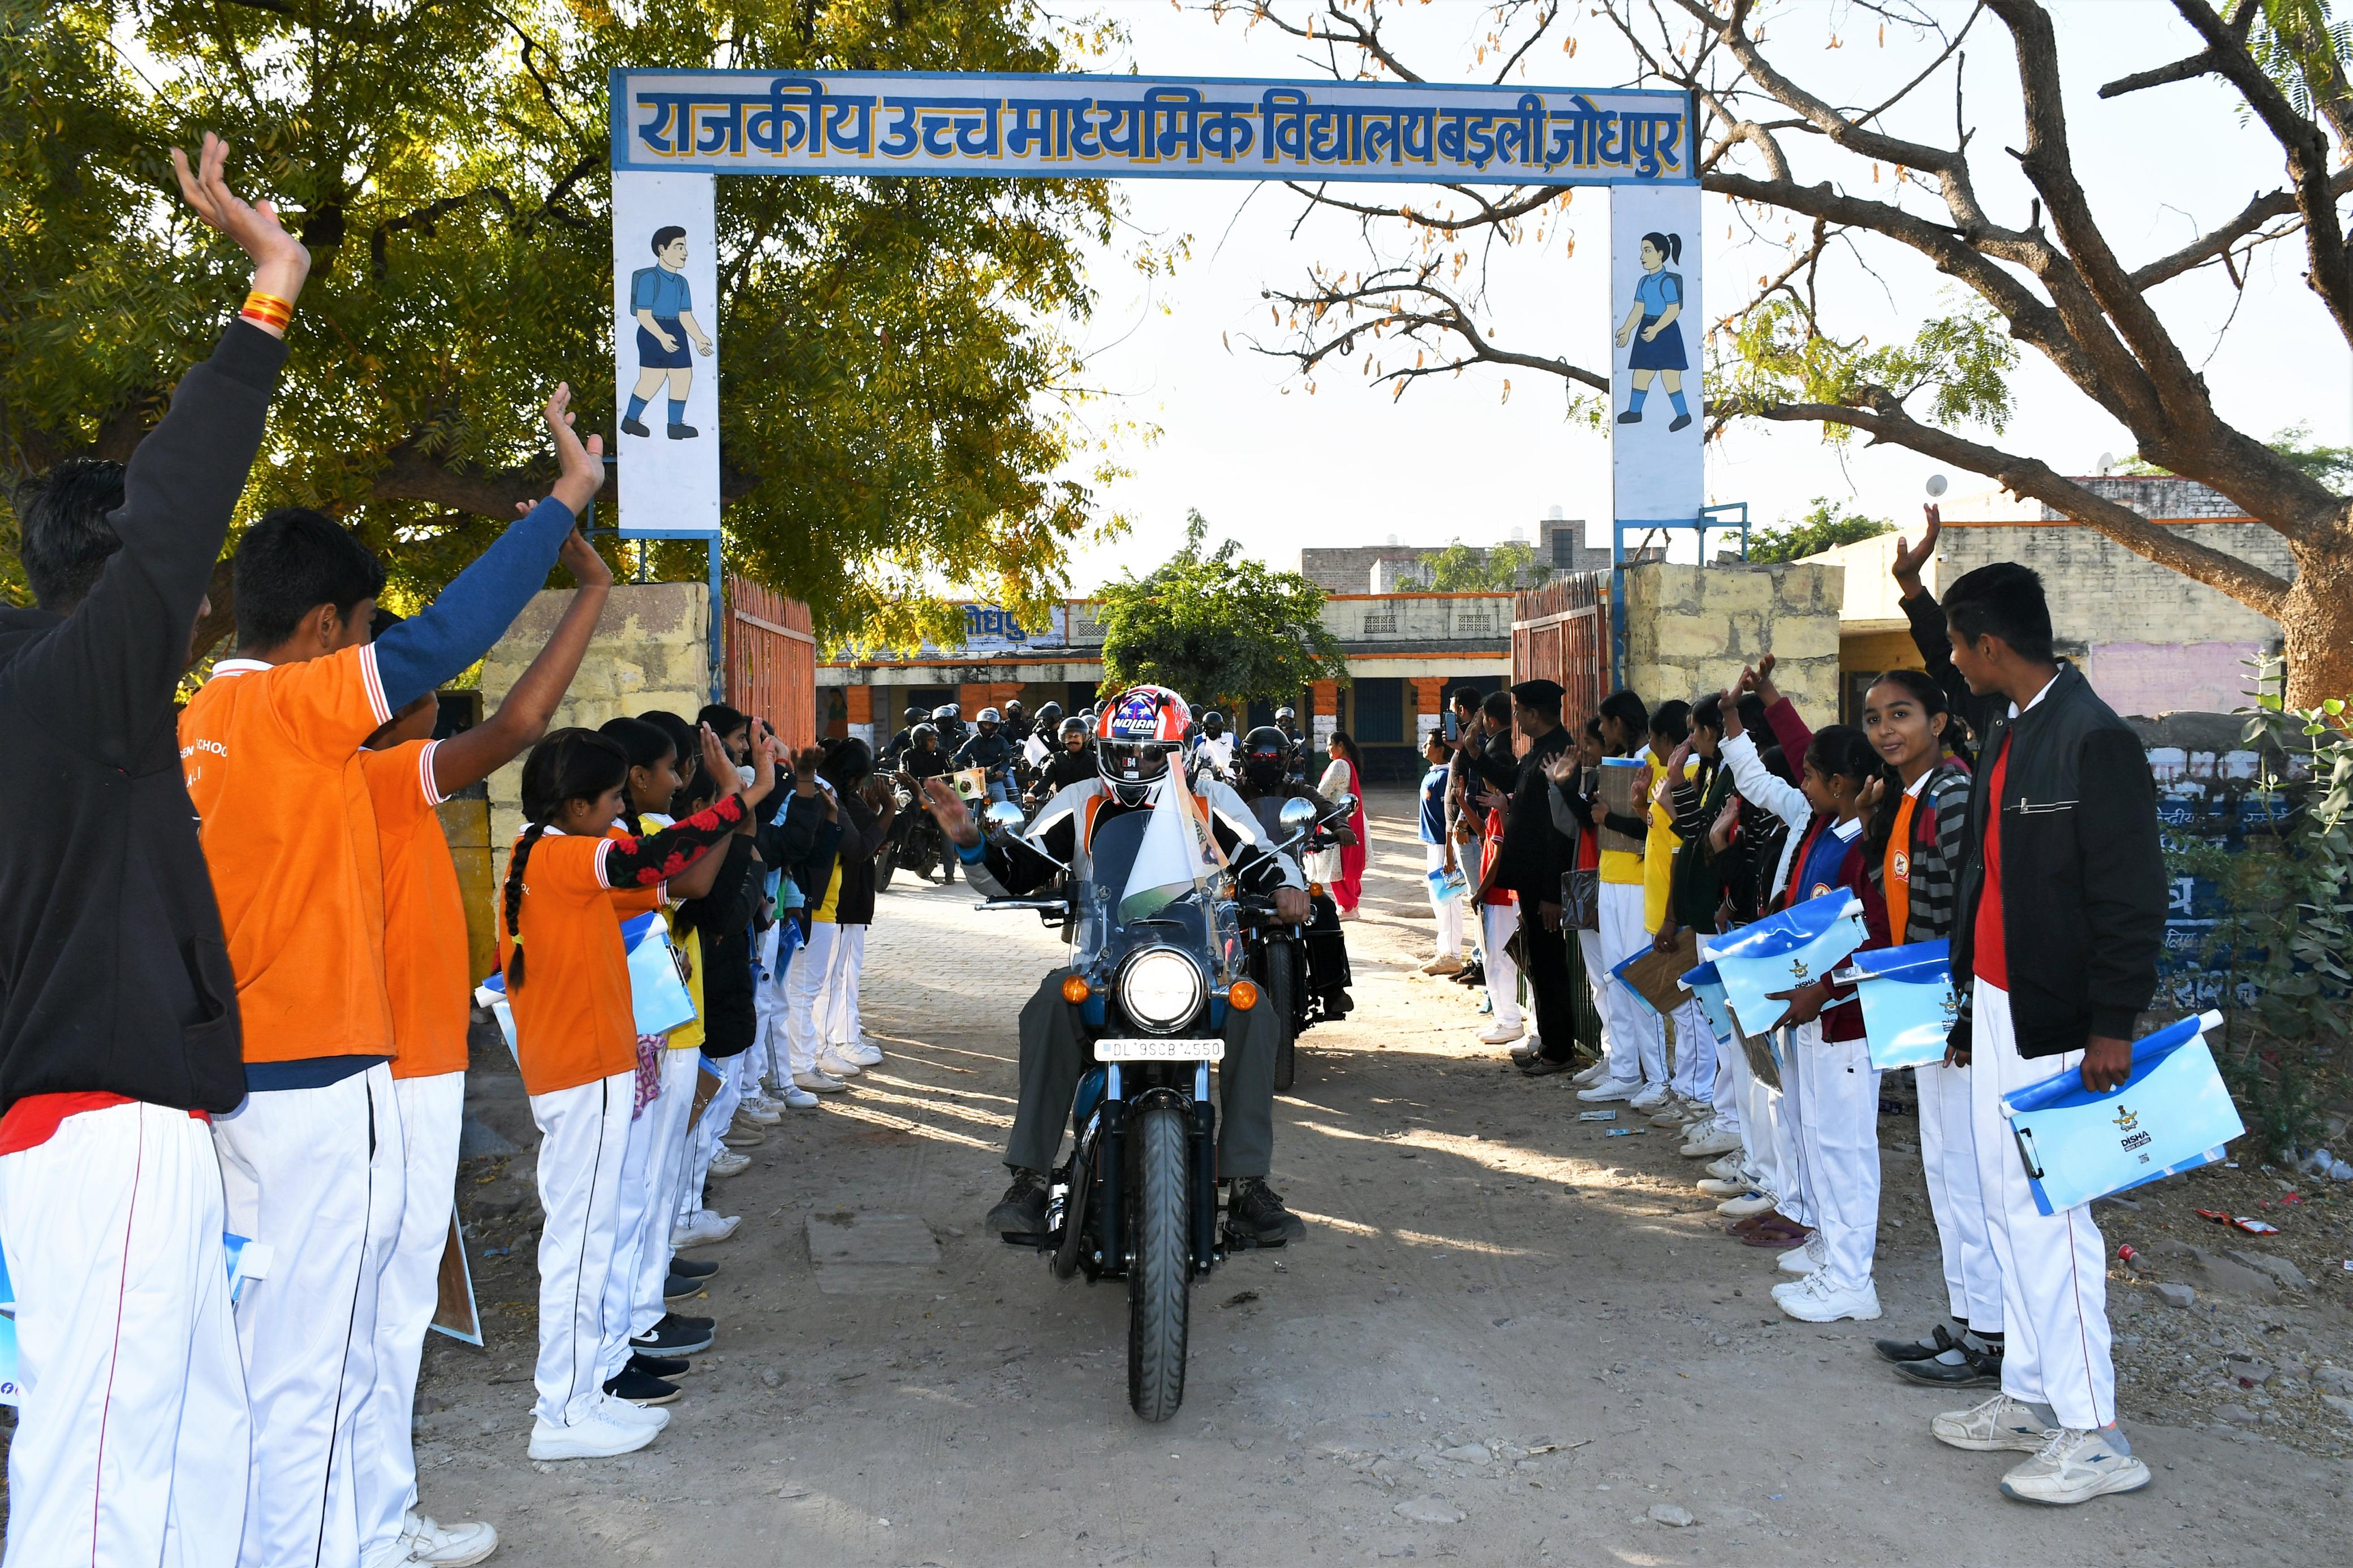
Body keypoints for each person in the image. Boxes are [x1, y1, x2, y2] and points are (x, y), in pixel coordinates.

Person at [181, 374, 604, 1568]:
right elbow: (451, 634)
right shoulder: (295, 713)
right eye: (364, 632)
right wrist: (562, 499)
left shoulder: (187, 727)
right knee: (318, 1364)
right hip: (324, 1088)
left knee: (270, 1359)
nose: (375, 657)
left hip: (231, 1080)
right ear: (324, 627)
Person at [0, 133, 298, 1568]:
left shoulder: (53, 703)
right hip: (97, 1125)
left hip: (111, 1126)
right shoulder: (84, 682)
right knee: (109, 1469)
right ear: (122, 589)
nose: (191, 611)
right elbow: (179, 507)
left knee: (196, 1435)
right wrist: (269, 288)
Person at [357, 526, 610, 1568]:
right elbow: (520, 719)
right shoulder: (381, 778)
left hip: (400, 1067)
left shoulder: (367, 782)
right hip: (397, 1072)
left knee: (382, 1312)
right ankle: (367, 1524)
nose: (432, 691)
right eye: (413, 673)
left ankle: (370, 1514)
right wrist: (584, 579)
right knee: (381, 1315)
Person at [1929, 561, 2164, 1507]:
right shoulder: (2012, 725)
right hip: (1996, 1000)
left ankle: (2095, 1432)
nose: (1948, 660)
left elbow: (2132, 894)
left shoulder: (2092, 738)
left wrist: (2114, 1022)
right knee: (2001, 1196)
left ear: (1990, 647)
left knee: (2051, 1215)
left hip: (2060, 1013)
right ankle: (2029, 1395)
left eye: (1955, 642)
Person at [924, 686, 1315, 1246]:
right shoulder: (1080, 799)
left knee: (1254, 1009)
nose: (1135, 763)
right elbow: (1017, 868)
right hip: (1105, 966)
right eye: (1123, 750)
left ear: (1178, 751)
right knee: (1048, 1002)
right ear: (1104, 748)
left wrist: (1287, 890)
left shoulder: (1210, 800)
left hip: (1197, 969)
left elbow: (1263, 857)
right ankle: (1031, 1178)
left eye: (1151, 752)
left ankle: (1249, 1184)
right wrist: (971, 844)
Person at [497, 725, 776, 1461]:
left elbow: (660, 872)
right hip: (581, 1072)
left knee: (589, 1241)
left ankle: (583, 1394)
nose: (624, 809)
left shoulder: (555, 854)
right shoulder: (560, 854)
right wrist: (743, 796)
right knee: (581, 1248)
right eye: (616, 798)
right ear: (579, 804)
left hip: (593, 1068)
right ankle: (559, 1413)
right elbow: (658, 858)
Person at [1855, 669, 2003, 1389]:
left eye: (1901, 714)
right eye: (1874, 717)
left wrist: (1964, 1013)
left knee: (1967, 1171)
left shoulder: (1949, 796)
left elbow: (1971, 913)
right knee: (1943, 1169)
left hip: (1950, 1009)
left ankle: (1993, 1335)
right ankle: (1968, 1320)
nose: (1885, 729)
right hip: (1919, 1002)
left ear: (1939, 721)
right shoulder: (1909, 797)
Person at [1753, 723, 1891, 1325]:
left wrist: (1827, 987)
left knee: (1846, 1146)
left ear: (1839, 783)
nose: (1799, 783)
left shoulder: (1862, 842)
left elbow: (1877, 936)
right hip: (1812, 1008)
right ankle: (1832, 1251)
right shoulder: (1824, 828)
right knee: (1815, 1132)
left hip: (1847, 1017)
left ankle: (1852, 1277)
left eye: (1808, 775)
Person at [1471, 681, 1576, 1074]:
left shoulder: (1559, 753)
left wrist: (1552, 892)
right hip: (1530, 877)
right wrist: (1475, 755)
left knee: (1550, 965)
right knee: (1539, 961)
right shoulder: (1538, 751)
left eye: (1520, 711)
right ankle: (1549, 1042)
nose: (1515, 718)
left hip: (1544, 879)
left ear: (1535, 713)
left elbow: (1558, 831)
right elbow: (1512, 778)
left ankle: (1559, 1049)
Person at [1574, 689, 1666, 1101]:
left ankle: (1658, 1076)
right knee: (1615, 978)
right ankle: (1626, 1072)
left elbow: (1656, 831)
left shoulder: (1654, 765)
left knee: (1637, 980)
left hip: (1638, 884)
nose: (1602, 730)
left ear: (1620, 723)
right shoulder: (1619, 763)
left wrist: (1609, 816)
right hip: (1612, 876)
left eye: (1606, 722)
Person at [811, 740, 893, 1074]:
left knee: (834, 977)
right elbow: (859, 847)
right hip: (837, 903)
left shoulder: (832, 793)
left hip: (838, 902)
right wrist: (888, 810)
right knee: (833, 979)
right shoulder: (828, 795)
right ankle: (828, 1046)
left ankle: (833, 1042)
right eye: (861, 778)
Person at [622, 225, 712, 440]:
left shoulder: (682, 283)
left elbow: (686, 316)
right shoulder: (649, 280)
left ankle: (675, 426)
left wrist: (699, 338)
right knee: (652, 379)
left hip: (676, 329)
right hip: (653, 330)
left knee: (683, 376)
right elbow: (643, 315)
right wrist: (661, 337)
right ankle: (630, 421)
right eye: (679, 247)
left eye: (685, 248)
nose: (685, 253)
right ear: (662, 250)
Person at [1414, 730, 1465, 975]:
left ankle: (1453, 954)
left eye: (1429, 743)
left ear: (1441, 749)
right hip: (1433, 843)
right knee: (1438, 899)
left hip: (1445, 845)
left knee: (1450, 899)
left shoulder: (1447, 775)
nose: (1424, 746)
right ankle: (1444, 950)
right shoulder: (1433, 772)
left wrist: (1450, 853)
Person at [1317, 731, 1368, 918]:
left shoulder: (1338, 765)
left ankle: (1347, 908)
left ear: (1341, 746)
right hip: (1352, 819)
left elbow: (1322, 793)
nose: (1327, 749)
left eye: (1330, 744)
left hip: (1338, 821)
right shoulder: (1350, 765)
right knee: (1349, 863)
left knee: (1338, 865)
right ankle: (1352, 906)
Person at [1028, 713, 1097, 807]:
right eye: (1069, 737)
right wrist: (1033, 793)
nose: (1072, 740)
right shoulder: (1056, 759)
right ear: (1063, 738)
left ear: (1084, 738)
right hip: (1064, 807)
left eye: (1076, 736)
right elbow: (1046, 780)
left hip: (1090, 806)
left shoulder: (1095, 759)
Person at [952, 706, 1014, 803]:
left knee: (1004, 804)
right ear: (980, 725)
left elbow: (1006, 760)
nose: (988, 727)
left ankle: (1020, 817)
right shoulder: (973, 741)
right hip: (974, 780)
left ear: (996, 725)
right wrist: (952, 764)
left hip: (995, 781)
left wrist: (1001, 771)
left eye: (990, 725)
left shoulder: (1001, 741)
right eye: (985, 724)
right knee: (962, 806)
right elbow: (960, 755)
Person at [1192, 710, 1235, 779]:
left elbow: (1242, 751)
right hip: (1204, 776)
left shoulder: (1230, 738)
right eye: (1208, 730)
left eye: (1213, 729)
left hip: (1227, 777)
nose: (1211, 732)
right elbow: (1186, 753)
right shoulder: (1200, 739)